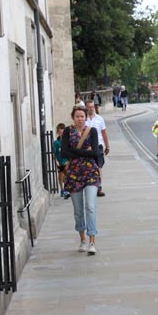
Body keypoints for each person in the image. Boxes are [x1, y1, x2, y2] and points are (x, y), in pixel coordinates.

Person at [62, 105, 100, 255]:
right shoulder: (67, 131)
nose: (80, 119)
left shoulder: (92, 131)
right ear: (73, 117)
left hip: (91, 173)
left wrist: (75, 152)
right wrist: (85, 152)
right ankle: (82, 240)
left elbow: (95, 152)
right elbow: (64, 152)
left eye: (82, 116)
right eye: (77, 116)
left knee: (90, 206)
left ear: (86, 117)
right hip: (73, 176)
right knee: (78, 211)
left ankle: (92, 241)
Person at [85, 100, 110, 197]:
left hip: (98, 146)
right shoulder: (84, 119)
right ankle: (89, 187)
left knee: (98, 166)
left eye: (92, 107)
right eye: (89, 107)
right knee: (88, 167)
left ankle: (99, 187)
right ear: (86, 108)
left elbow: (104, 133)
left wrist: (107, 146)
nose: (91, 108)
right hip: (87, 147)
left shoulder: (100, 119)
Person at [53, 123, 70, 199]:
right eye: (60, 133)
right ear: (58, 132)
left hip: (66, 161)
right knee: (61, 176)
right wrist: (56, 161)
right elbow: (54, 153)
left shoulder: (67, 141)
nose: (61, 135)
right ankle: (62, 189)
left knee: (67, 175)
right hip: (60, 162)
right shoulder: (56, 143)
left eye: (63, 133)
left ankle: (67, 189)